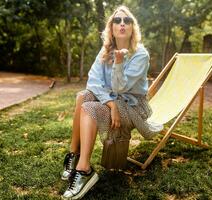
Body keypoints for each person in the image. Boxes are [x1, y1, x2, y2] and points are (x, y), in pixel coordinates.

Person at [61, 5, 163, 200]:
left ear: (133, 27)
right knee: (82, 96)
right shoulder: (106, 49)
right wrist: (111, 104)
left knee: (88, 107)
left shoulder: (140, 54)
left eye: (127, 20)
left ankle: (84, 170)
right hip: (115, 102)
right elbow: (93, 80)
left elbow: (120, 88)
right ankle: (73, 154)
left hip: (133, 107)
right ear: (112, 27)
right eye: (117, 20)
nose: (122, 23)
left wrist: (118, 62)